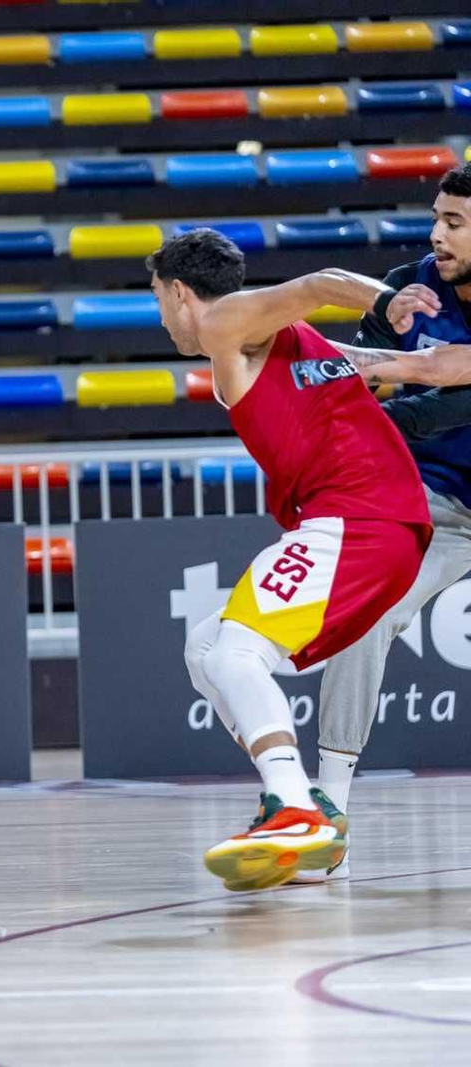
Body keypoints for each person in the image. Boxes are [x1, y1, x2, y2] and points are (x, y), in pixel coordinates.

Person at [149, 229, 471, 891]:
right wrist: (396, 335)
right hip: (386, 519)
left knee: (236, 649)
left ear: (182, 292)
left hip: (359, 518)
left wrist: (391, 299)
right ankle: (298, 805)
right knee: (204, 647)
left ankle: (298, 806)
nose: (161, 317)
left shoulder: (222, 322)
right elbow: (402, 363)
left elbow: (320, 282)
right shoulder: (319, 352)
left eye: (159, 300)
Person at [304, 162, 471, 882]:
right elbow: (356, 374)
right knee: (366, 611)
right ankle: (327, 811)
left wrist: (373, 389)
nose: (437, 232)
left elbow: (443, 403)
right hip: (438, 504)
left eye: (455, 223)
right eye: (437, 216)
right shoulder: (413, 286)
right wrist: (375, 334)